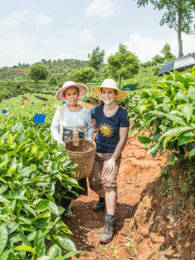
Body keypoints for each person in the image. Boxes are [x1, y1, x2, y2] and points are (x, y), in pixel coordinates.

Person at [89, 79, 129, 243]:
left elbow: (123, 139)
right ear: (101, 95)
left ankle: (110, 220)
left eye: (110, 92)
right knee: (94, 183)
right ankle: (102, 199)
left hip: (112, 153)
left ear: (116, 95)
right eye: (104, 92)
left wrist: (113, 159)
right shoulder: (96, 111)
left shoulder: (122, 113)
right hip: (97, 152)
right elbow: (84, 119)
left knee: (109, 182)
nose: (106, 95)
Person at [51, 81, 94, 217]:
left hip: (79, 145)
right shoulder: (61, 111)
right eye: (69, 94)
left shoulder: (85, 112)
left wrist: (88, 139)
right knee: (64, 174)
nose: (72, 97)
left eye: (74, 93)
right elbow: (53, 128)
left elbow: (90, 127)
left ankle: (68, 205)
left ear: (78, 94)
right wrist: (59, 140)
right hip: (64, 143)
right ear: (64, 96)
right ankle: (62, 205)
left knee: (76, 173)